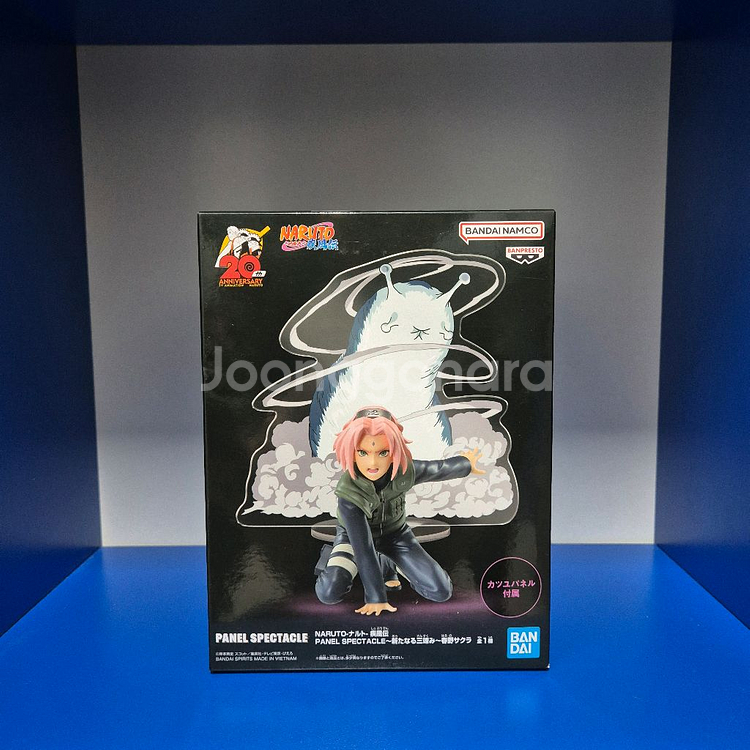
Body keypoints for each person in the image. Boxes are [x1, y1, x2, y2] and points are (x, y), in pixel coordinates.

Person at [314, 406, 485, 615]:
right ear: (352, 453)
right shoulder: (348, 493)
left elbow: (436, 469)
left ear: (394, 452)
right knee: (329, 592)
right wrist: (376, 598)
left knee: (441, 591)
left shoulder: (403, 471)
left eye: (383, 452)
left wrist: (465, 464)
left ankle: (389, 562)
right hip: (352, 540)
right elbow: (364, 548)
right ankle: (331, 556)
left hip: (396, 536)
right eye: (363, 452)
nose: (373, 462)